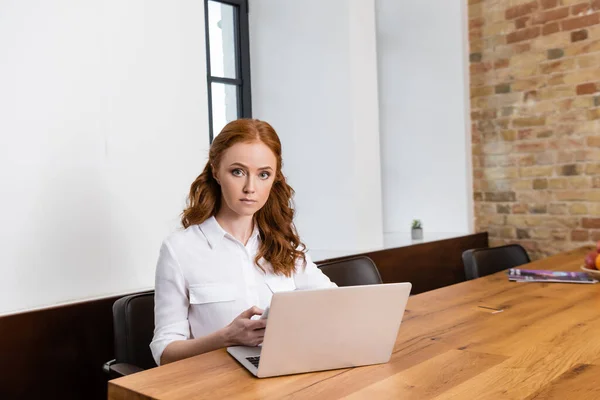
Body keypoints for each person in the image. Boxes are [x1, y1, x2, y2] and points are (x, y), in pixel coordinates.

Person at [150, 119, 336, 366]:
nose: (250, 187)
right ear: (216, 171)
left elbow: (334, 303)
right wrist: (225, 337)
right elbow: (164, 353)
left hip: (287, 371)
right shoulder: (180, 249)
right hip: (217, 382)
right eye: (237, 172)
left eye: (263, 175)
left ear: (275, 179)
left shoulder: (283, 242)